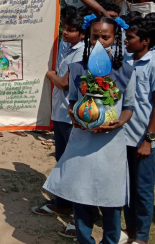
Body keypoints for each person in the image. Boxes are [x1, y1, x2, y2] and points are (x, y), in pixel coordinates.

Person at [44, 15, 135, 244]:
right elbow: (73, 102)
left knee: (111, 199)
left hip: (111, 145)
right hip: (82, 141)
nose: (100, 41)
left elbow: (129, 107)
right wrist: (75, 116)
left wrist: (118, 122)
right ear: (88, 38)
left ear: (115, 39)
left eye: (106, 37)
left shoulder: (126, 71)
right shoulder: (77, 69)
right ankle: (85, 240)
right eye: (95, 37)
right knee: (81, 194)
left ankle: (110, 240)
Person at [33, 12, 85, 220]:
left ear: (82, 34)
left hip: (71, 116)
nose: (65, 32)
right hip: (62, 114)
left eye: (71, 30)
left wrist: (50, 75)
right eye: (65, 27)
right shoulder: (70, 49)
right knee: (62, 159)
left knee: (71, 162)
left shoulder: (82, 54)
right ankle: (62, 203)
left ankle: (77, 211)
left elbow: (64, 83)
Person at [121, 17, 155, 244]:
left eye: (130, 38)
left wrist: (149, 139)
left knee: (142, 189)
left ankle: (141, 237)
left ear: (145, 41)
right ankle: (130, 229)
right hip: (123, 137)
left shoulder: (153, 64)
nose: (125, 41)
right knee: (125, 186)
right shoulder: (126, 61)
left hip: (144, 138)